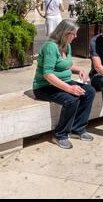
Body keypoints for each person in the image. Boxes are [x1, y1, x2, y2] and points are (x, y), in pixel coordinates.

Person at [33, 19, 96, 149]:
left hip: (63, 82)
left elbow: (67, 65)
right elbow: (47, 74)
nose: (76, 36)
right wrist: (69, 89)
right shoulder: (50, 47)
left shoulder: (66, 46)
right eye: (74, 34)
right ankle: (60, 134)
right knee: (71, 99)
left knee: (89, 91)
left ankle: (77, 129)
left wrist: (79, 70)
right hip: (45, 86)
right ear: (66, 33)